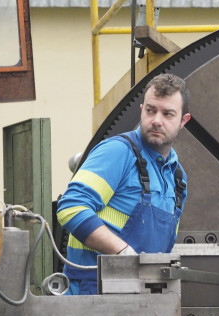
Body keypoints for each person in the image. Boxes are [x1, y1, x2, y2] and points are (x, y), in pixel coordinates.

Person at [57, 73, 190, 295]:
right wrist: (125, 255)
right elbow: (71, 208)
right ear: (141, 110)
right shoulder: (118, 152)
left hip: (141, 298)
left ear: (183, 121)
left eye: (168, 114)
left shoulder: (177, 179)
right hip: (92, 294)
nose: (156, 120)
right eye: (150, 110)